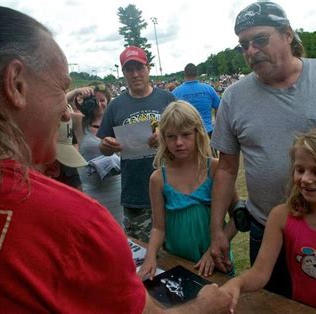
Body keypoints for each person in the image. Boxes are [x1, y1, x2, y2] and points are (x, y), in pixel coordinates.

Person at [0, 6, 232, 313]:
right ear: (15, 85)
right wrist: (205, 308)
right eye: (61, 89)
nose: (66, 111)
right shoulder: (78, 224)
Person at [210, 1, 316, 297]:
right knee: (269, 304)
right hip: (266, 229)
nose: (251, 51)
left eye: (260, 40)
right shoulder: (233, 96)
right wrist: (217, 229)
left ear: (288, 34)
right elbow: (226, 167)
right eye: (243, 45)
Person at [221, 128, 316, 313]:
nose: (305, 179)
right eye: (300, 170)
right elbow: (259, 273)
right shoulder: (281, 216)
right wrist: (236, 283)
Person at [138, 101, 238, 280]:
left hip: (216, 261)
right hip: (178, 264)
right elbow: (158, 227)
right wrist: (150, 256)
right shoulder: (158, 179)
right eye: (171, 136)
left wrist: (214, 248)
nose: (179, 143)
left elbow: (237, 215)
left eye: (185, 135)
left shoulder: (216, 170)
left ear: (197, 133)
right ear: (163, 139)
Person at [98, 45, 176, 243]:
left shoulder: (166, 99)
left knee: (176, 251)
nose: (135, 74)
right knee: (144, 253)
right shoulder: (116, 106)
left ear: (148, 68)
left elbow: (188, 135)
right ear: (123, 72)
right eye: (129, 69)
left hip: (172, 187)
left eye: (139, 68)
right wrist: (106, 146)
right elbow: (103, 146)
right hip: (136, 192)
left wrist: (165, 137)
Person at [78, 92, 123, 226]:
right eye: (94, 101)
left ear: (108, 101)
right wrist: (76, 94)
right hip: (90, 189)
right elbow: (60, 110)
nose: (99, 104)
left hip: (115, 188)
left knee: (118, 228)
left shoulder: (116, 120)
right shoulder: (79, 123)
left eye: (102, 100)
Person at [172, 63, 220, 136]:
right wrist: (217, 126)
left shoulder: (176, 92)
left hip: (186, 134)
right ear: (197, 73)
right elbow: (219, 107)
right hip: (207, 131)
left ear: (184, 74)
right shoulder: (208, 89)